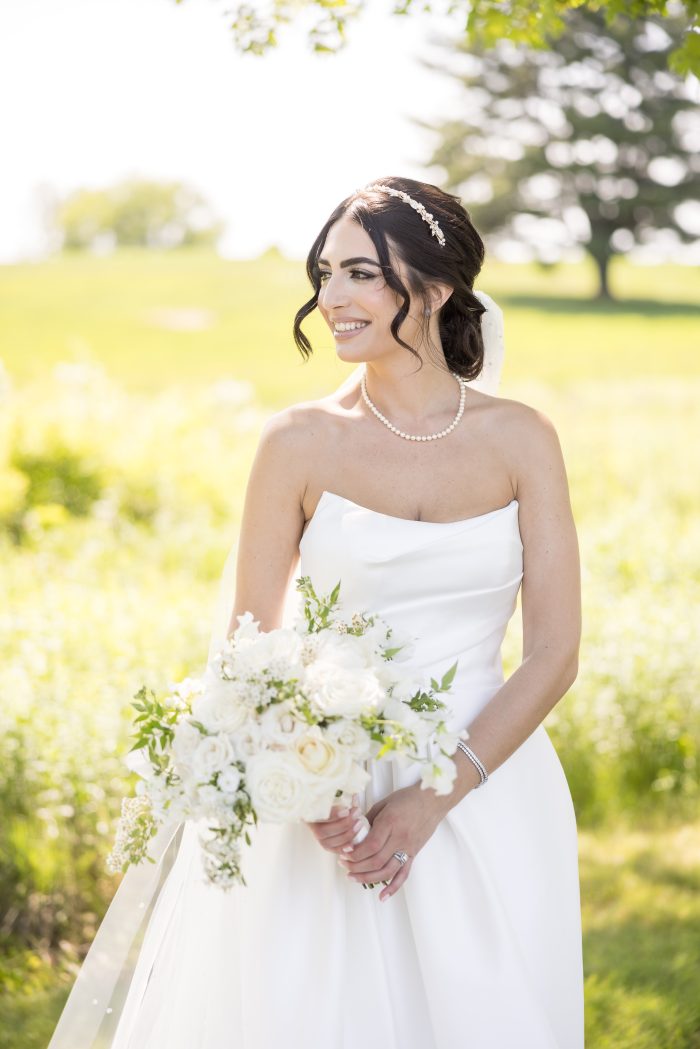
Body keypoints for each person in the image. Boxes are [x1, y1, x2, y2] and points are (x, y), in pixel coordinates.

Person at [47, 176, 584, 1048]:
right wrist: (310, 784)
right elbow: (248, 646)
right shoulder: (297, 442)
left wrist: (433, 798)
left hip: (487, 788)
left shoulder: (523, 439)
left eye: (361, 273)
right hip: (329, 802)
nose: (331, 297)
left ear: (436, 288)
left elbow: (555, 650)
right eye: (325, 273)